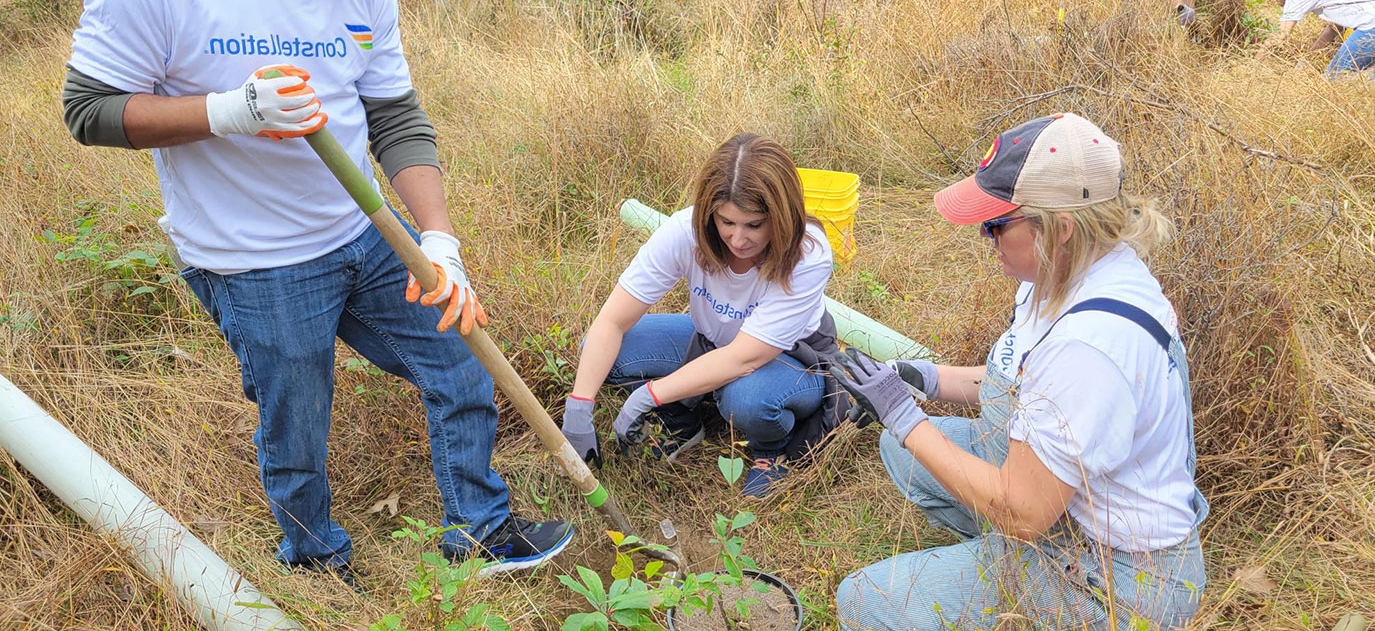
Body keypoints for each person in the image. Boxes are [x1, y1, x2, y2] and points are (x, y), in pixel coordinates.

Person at [61, 0, 572, 582]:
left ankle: (479, 530)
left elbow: (393, 114)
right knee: (297, 425)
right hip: (254, 261)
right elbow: (88, 109)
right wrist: (229, 111)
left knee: (462, 357)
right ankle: (316, 558)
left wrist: (438, 239)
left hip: (367, 229)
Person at [831, 113, 1208, 629]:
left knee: (864, 601)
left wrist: (902, 415)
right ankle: (1001, 570)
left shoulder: (1090, 345)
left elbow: (1024, 511)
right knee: (901, 449)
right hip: (1071, 507)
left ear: (1060, 229)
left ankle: (1025, 583)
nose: (985, 238)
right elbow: (1021, 385)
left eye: (996, 226)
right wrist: (922, 378)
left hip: (1119, 577)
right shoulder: (1063, 275)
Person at [558, 133, 848, 498]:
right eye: (727, 222)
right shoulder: (686, 230)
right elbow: (612, 321)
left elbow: (743, 358)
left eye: (754, 225)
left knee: (746, 398)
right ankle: (683, 420)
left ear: (782, 216)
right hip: (712, 342)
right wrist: (579, 408)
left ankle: (772, 446)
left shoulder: (807, 253)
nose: (738, 239)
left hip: (793, 358)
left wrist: (647, 396)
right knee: (601, 352)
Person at [1261, 0, 1375, 77]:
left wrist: (1254, 67)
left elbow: (1279, 36)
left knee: (1335, 80)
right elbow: (1334, 28)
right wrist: (1305, 62)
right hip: (1370, 25)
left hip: (1370, 28)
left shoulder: (1294, 1)